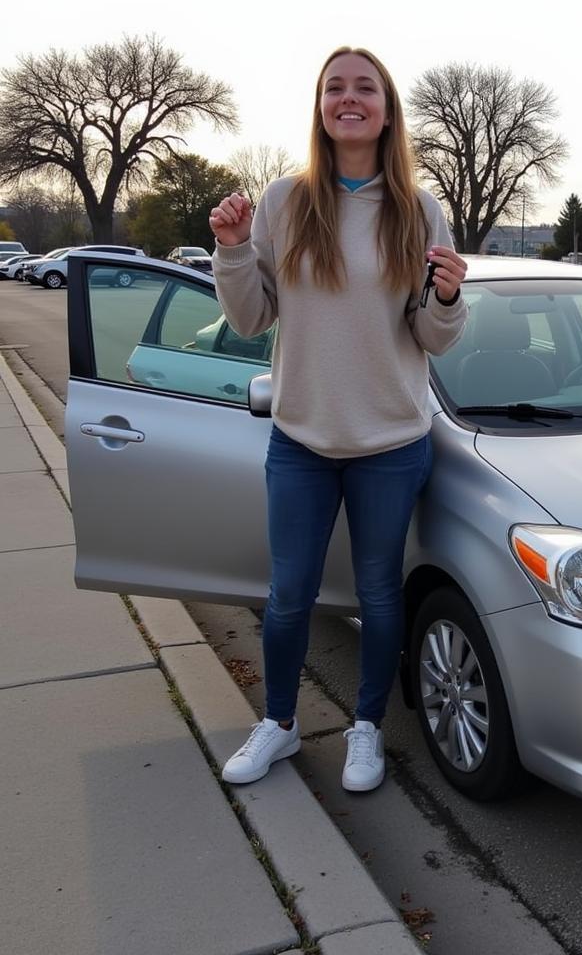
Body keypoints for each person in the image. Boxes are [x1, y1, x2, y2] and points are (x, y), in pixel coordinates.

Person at [209, 46, 468, 792]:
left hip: (391, 442)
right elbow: (253, 317)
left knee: (379, 593)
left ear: (387, 111)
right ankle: (281, 725)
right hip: (301, 440)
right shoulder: (285, 200)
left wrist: (448, 299)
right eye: (335, 88)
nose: (348, 98)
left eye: (365, 88)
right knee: (289, 594)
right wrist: (231, 251)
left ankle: (365, 729)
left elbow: (430, 335)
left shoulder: (419, 209)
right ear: (320, 108)